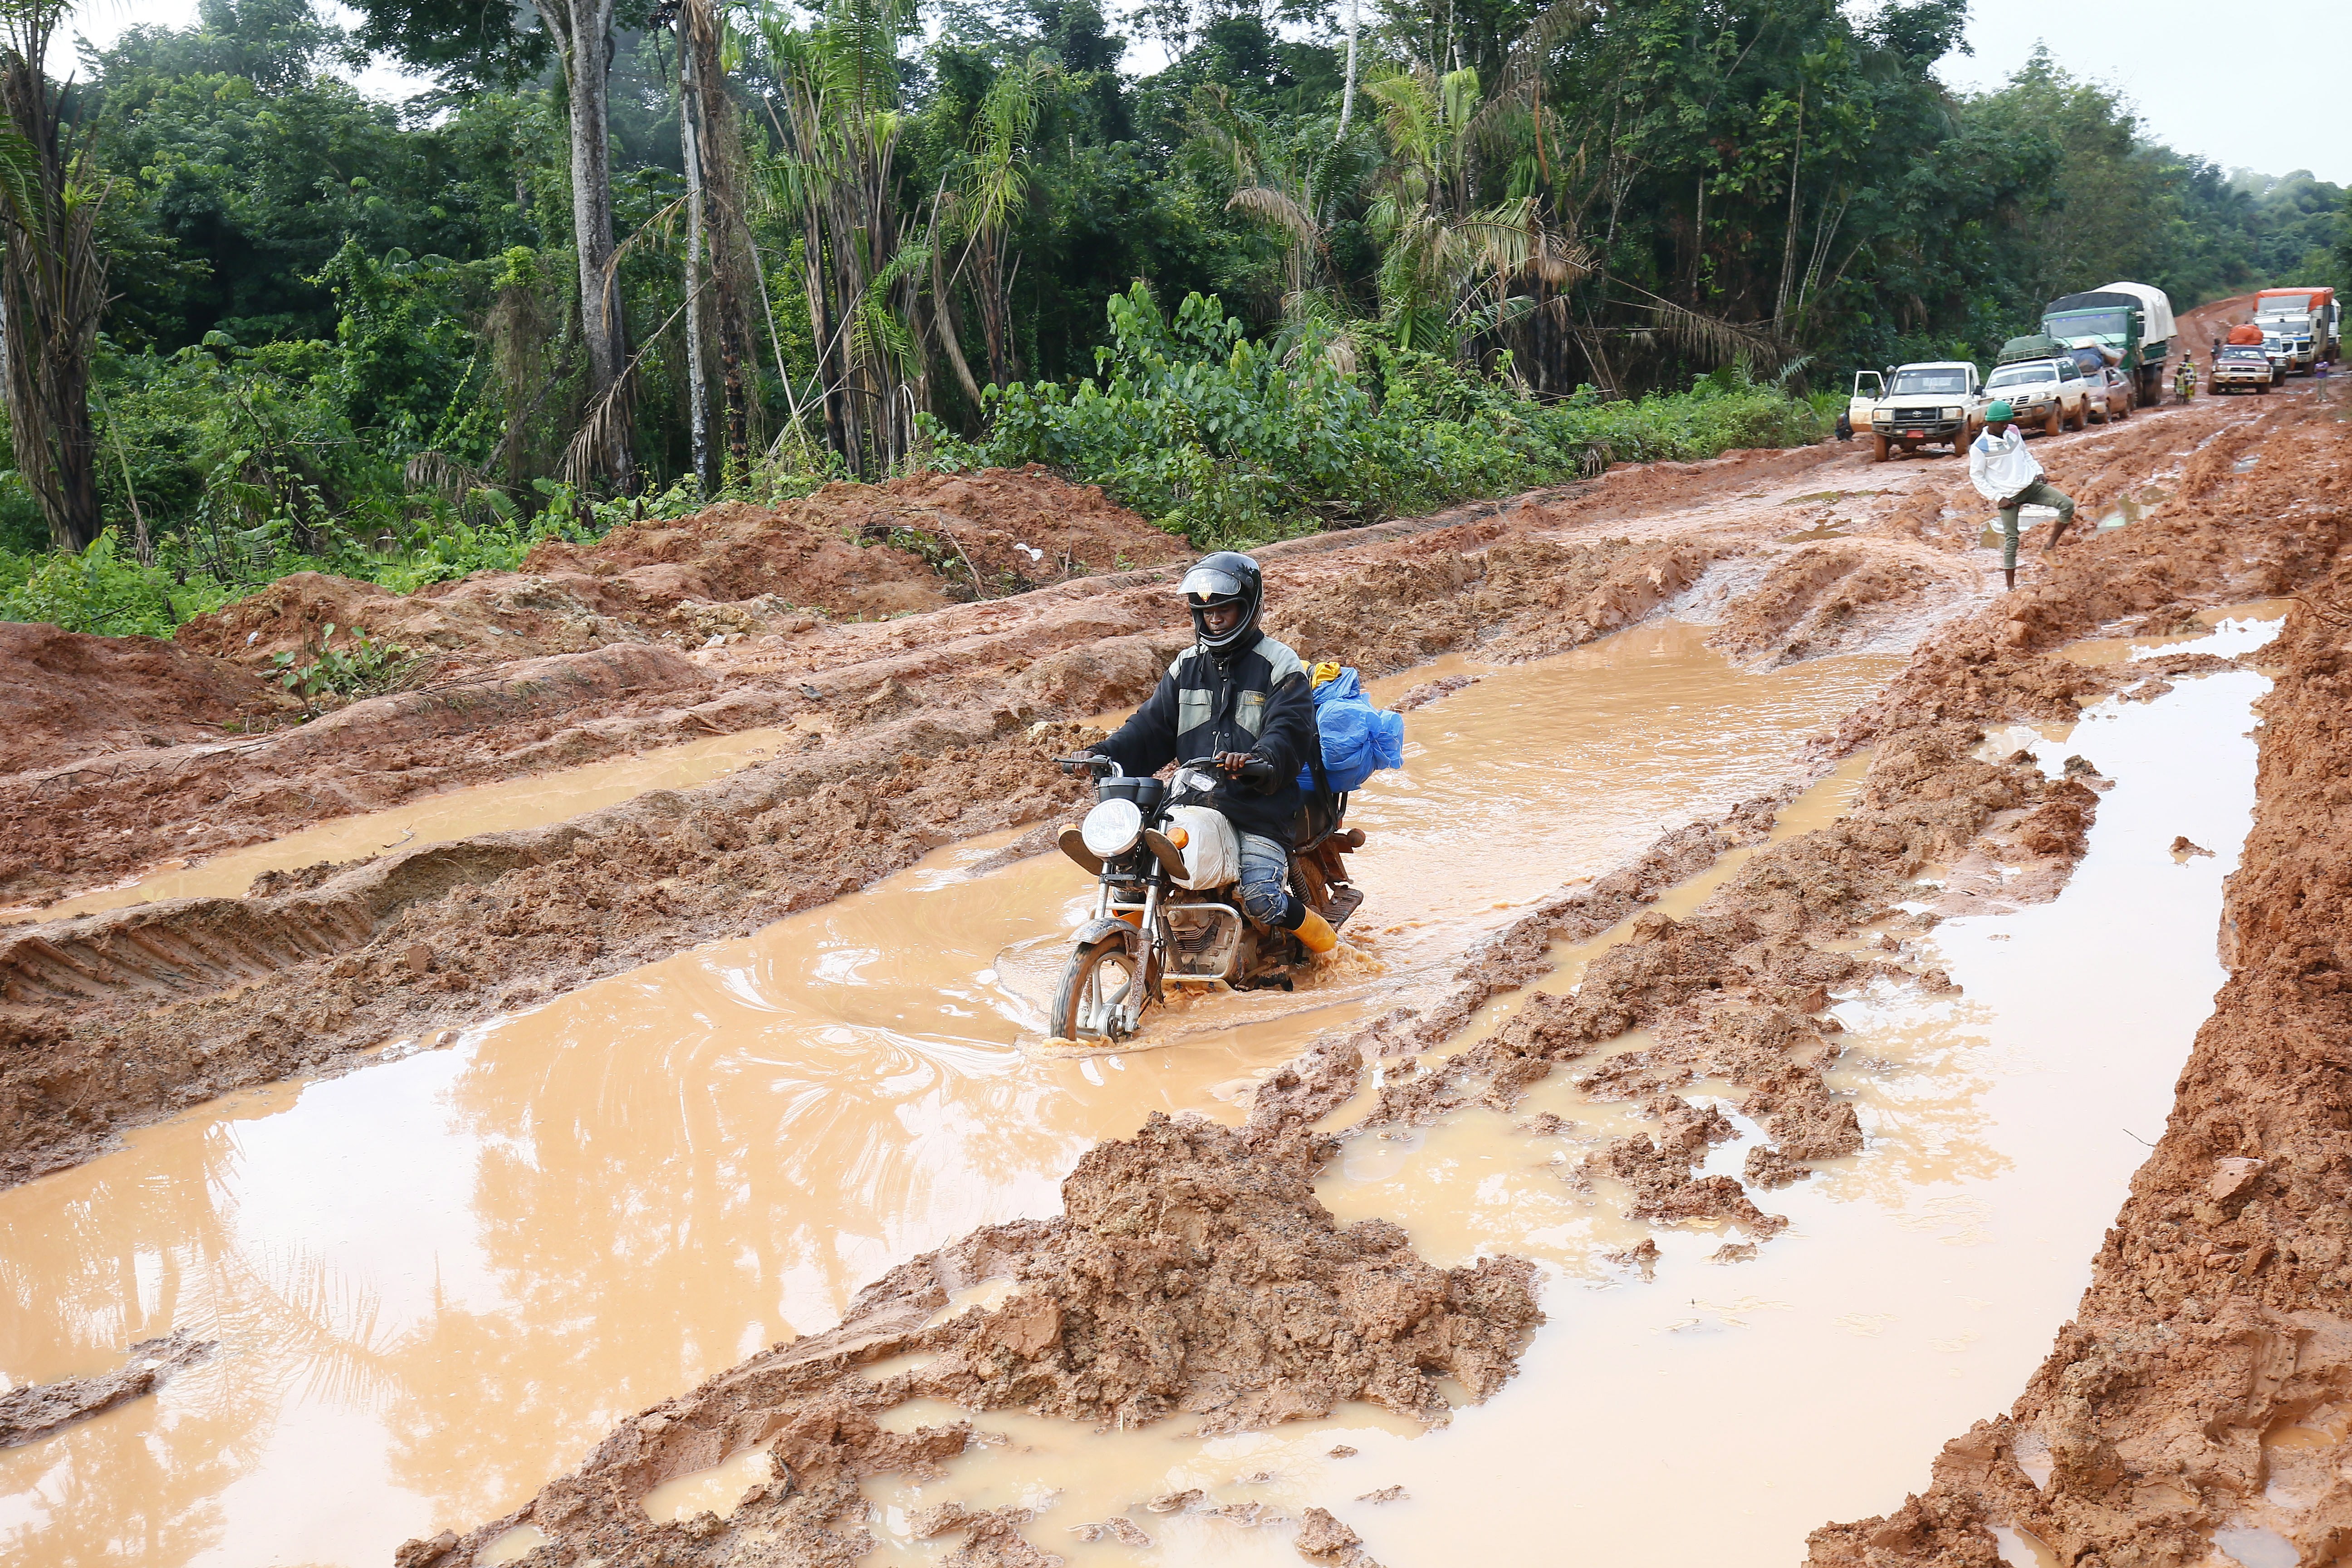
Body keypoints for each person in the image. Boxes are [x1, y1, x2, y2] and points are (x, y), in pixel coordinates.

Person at [1090, 552, 1339, 955]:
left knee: (1263, 896)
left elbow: (1288, 730)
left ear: (1249, 607)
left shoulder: (1279, 664)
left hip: (1259, 803)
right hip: (1193, 798)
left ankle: (1334, 950)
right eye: (1207, 612)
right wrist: (1104, 752)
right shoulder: (1186, 666)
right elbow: (1150, 727)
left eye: (1224, 609)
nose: (1215, 619)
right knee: (1136, 877)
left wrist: (1259, 761)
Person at [1969, 400, 2077, 592]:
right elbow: (1977, 476)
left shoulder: (2013, 432)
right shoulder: (1980, 447)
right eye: (2001, 423)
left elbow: (2026, 455)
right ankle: (2011, 587)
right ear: (1990, 423)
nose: (2005, 426)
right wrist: (1998, 498)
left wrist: (2038, 471)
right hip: (2009, 498)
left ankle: (2049, 548)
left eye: (2007, 422)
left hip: (2031, 486)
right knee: (2012, 539)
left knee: (2067, 505)